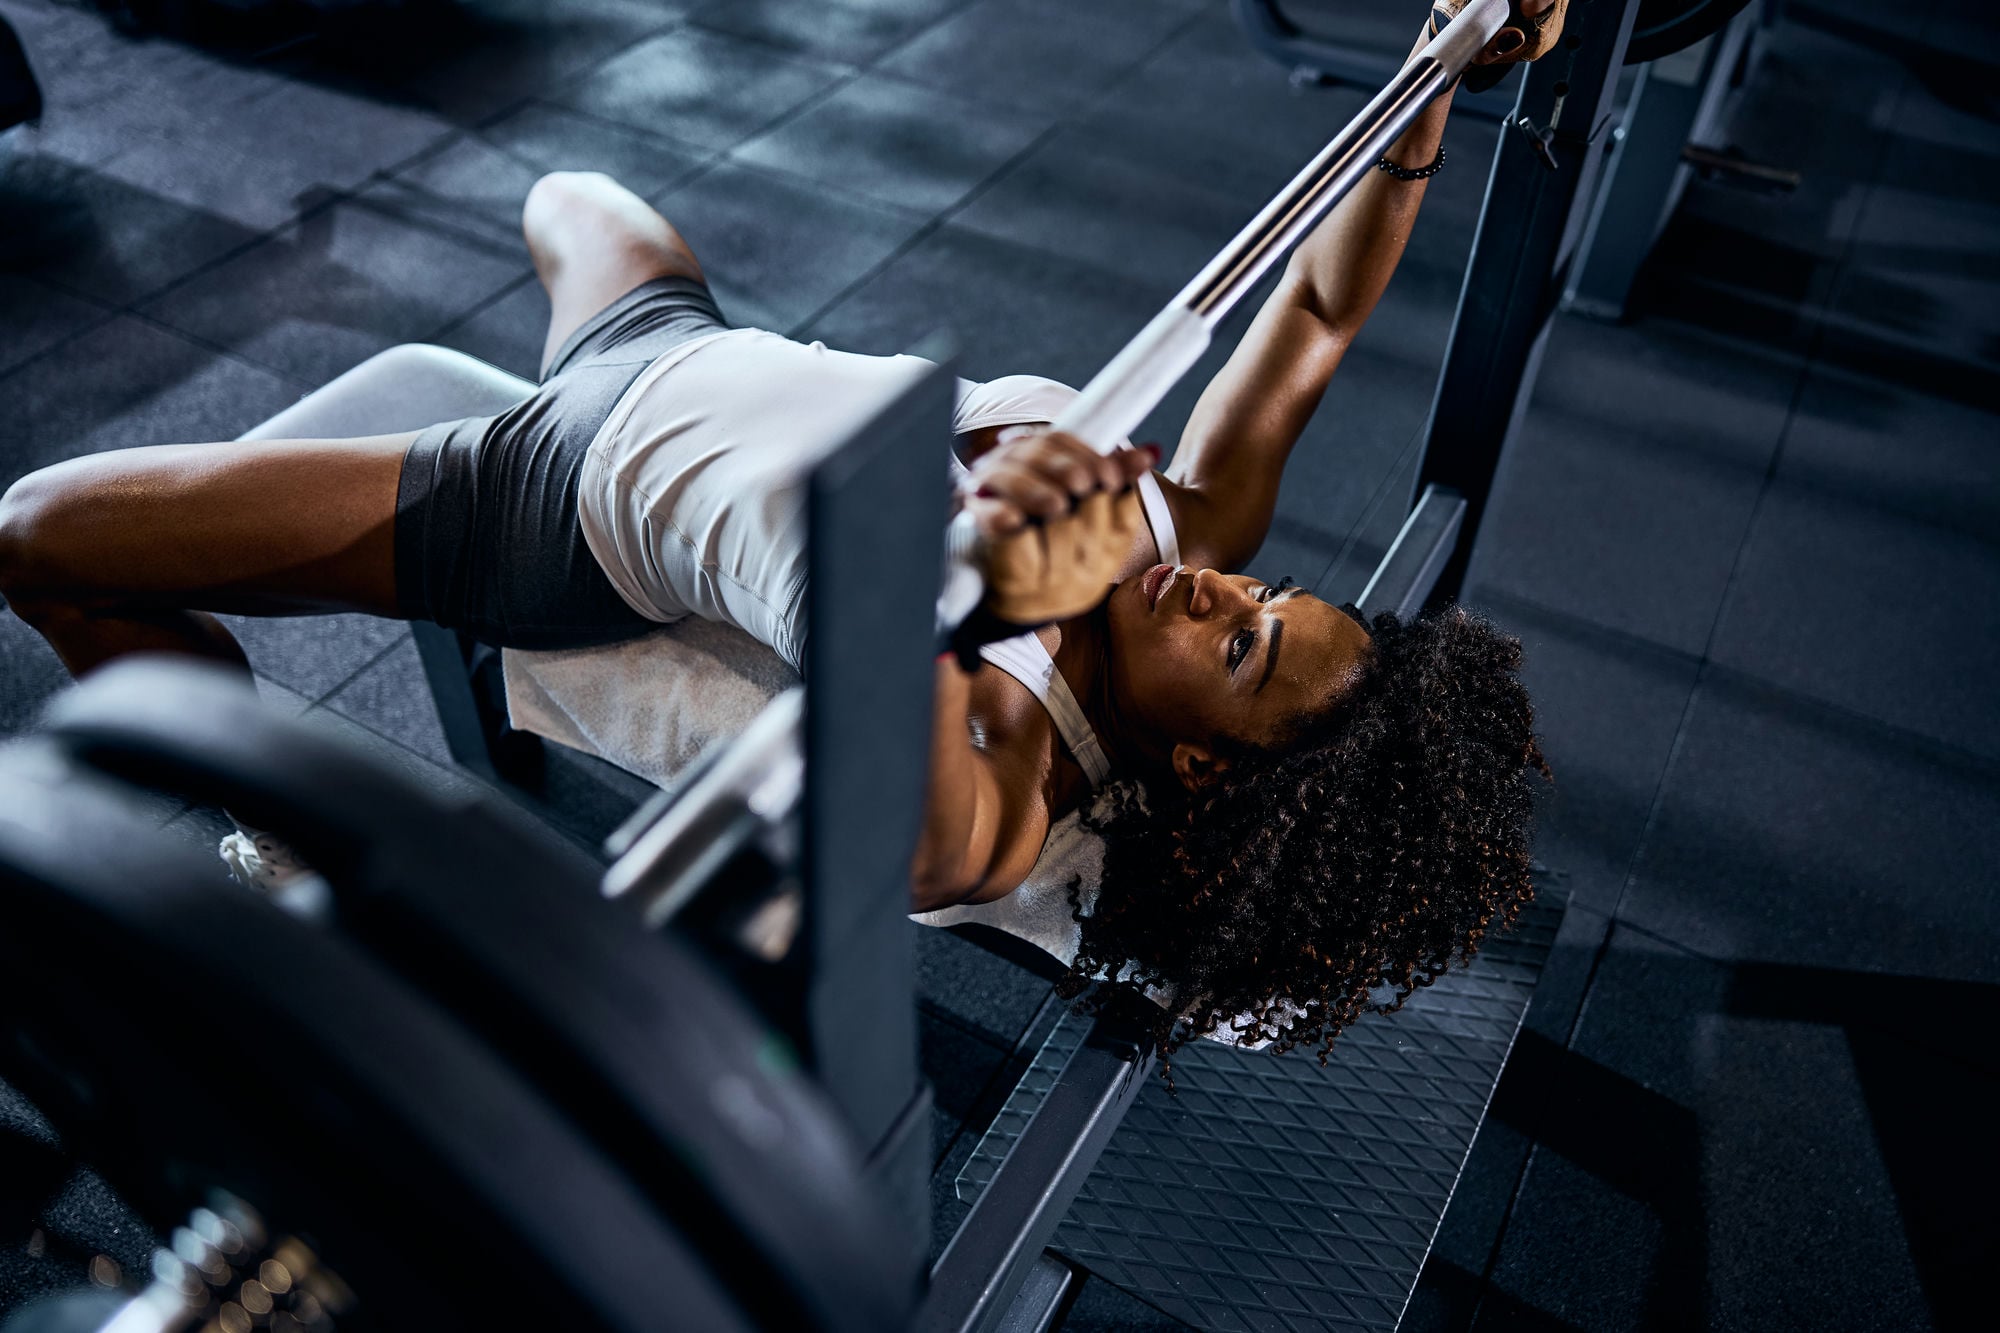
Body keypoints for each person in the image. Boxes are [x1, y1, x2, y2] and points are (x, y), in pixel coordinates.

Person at [0, 3, 1554, 1058]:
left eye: (1245, 640)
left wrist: (992, 590)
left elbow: (904, 751)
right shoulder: (1173, 520)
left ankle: (265, 835)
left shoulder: (1003, 790)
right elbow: (1321, 312)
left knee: (38, 530)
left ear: (1204, 764)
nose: (1226, 584)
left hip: (554, 496)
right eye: (1269, 591)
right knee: (569, 189)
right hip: (680, 346)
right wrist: (1431, 77)